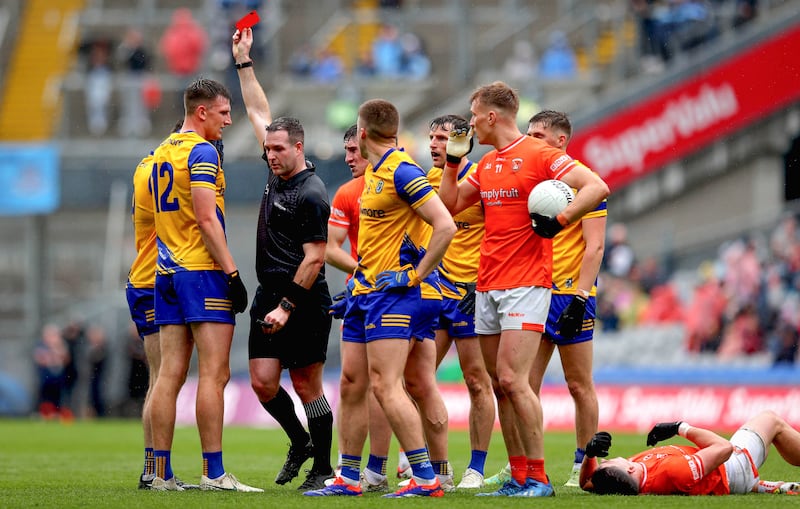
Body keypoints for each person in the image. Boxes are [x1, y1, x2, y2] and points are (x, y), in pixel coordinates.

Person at [438, 81, 610, 497]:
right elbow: (449, 204)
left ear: (492, 116)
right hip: (487, 283)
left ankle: (539, 477)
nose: (471, 122)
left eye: (474, 114)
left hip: (526, 284)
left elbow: (597, 187)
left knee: (515, 381)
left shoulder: (540, 154)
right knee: (500, 384)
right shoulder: (486, 163)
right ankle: (518, 476)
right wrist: (452, 163)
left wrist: (563, 218)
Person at [305, 98, 456, 497]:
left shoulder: (402, 171)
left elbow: (445, 225)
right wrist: (358, 281)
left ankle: (427, 477)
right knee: (352, 383)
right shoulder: (372, 174)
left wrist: (415, 274)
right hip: (366, 294)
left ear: (363, 131)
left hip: (395, 296)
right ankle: (350, 477)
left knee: (388, 386)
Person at [233, 27, 335, 491]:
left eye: (278, 149)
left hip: (303, 299)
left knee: (308, 386)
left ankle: (323, 467)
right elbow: (257, 109)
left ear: (299, 148)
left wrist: (286, 307)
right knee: (262, 383)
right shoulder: (275, 169)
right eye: (267, 148)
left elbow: (316, 258)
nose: (270, 155)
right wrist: (243, 63)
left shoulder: (311, 193)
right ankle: (299, 442)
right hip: (269, 293)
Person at [148, 77, 260, 492]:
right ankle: (214, 473)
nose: (230, 120)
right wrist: (232, 273)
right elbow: (206, 217)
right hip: (202, 271)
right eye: (224, 112)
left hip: (167, 271)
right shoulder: (202, 151)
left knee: (169, 376)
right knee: (214, 375)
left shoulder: (162, 151)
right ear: (202, 112)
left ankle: (160, 473)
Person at [486, 111, 607, 488]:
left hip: (572, 294)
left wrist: (579, 296)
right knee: (521, 384)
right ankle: (520, 465)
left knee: (578, 385)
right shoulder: (530, 178)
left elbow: (595, 246)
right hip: (534, 289)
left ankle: (584, 464)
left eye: (540, 134)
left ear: (560, 141)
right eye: (529, 133)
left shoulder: (579, 182)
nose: (532, 139)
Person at [125, 128, 199, 489]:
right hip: (156, 276)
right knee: (163, 376)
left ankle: (151, 468)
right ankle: (156, 471)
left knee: (162, 376)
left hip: (146, 277)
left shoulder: (144, 166)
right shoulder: (171, 166)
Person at [426, 114, 494, 489]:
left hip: (472, 294)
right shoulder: (422, 181)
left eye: (443, 138)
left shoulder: (480, 181)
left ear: (462, 143)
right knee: (417, 379)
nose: (436, 144)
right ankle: (435, 466)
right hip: (437, 292)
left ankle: (476, 468)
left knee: (476, 382)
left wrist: (483, 282)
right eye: (432, 138)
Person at [580, 411, 800, 495]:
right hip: (734, 467)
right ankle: (751, 483)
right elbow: (724, 449)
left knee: (763, 440)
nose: (606, 459)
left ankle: (764, 487)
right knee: (771, 421)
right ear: (627, 469)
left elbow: (587, 482)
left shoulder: (630, 475)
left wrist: (590, 455)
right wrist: (680, 427)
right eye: (607, 462)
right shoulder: (672, 471)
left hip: (722, 477)